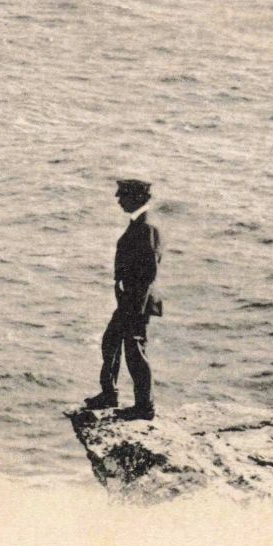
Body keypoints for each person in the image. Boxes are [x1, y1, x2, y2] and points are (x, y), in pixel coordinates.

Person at [83, 178, 162, 420]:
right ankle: (110, 394)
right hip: (129, 302)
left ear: (136, 198)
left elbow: (148, 273)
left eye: (122, 196)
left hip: (136, 302)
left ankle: (144, 406)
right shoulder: (139, 225)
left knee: (135, 351)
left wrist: (134, 307)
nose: (118, 200)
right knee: (111, 342)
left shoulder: (147, 228)